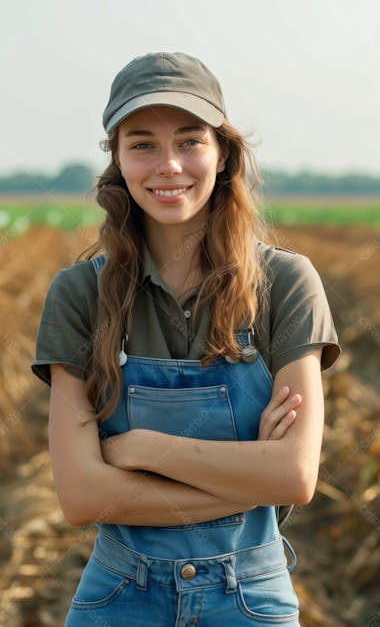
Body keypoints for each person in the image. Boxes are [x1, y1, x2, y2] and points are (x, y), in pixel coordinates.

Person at [32, 51, 341, 626]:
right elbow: (81, 497)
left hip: (252, 597)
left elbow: (295, 477)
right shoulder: (79, 293)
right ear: (118, 161)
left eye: (191, 141)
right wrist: (250, 483)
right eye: (142, 143)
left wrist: (145, 451)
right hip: (118, 596)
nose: (168, 165)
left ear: (222, 154)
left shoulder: (284, 284)